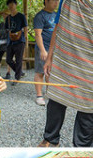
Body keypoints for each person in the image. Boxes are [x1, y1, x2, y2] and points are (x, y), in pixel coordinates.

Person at [39, 0, 93, 147]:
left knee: (88, 107)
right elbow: (58, 25)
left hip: (89, 62)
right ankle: (50, 140)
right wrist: (50, 57)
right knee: (56, 98)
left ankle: (82, 150)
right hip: (64, 57)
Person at [33, 0, 59, 106]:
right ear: (46, 1)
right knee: (40, 72)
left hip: (54, 49)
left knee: (51, 72)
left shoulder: (57, 15)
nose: (56, 3)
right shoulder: (40, 16)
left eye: (58, 1)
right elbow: (38, 35)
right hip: (43, 48)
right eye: (54, 0)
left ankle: (50, 93)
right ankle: (39, 96)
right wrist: (43, 50)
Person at [4, 0, 28, 81]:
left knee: (18, 60)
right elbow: (6, 29)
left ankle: (17, 78)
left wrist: (24, 38)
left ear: (16, 4)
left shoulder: (21, 16)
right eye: (9, 4)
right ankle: (20, 72)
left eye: (12, 4)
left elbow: (25, 28)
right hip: (10, 41)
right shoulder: (8, 18)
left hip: (20, 41)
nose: (10, 6)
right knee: (8, 60)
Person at [0, 10, 12, 78]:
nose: (3, 15)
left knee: (9, 59)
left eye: (5, 14)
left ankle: (8, 73)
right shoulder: (1, 24)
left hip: (9, 44)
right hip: (1, 44)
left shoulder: (11, 24)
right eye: (3, 14)